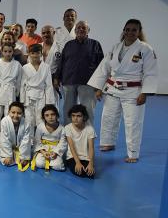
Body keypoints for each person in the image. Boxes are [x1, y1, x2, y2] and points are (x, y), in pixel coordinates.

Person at [88, 19, 158, 163]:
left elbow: (150, 73)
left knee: (132, 122)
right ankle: (107, 142)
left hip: (133, 91)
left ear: (139, 32)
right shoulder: (116, 47)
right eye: (127, 29)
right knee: (108, 117)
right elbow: (104, 68)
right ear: (123, 30)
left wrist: (144, 93)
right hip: (113, 88)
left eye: (134, 30)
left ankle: (133, 153)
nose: (130, 32)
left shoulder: (145, 49)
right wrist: (98, 88)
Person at [55, 20, 104, 124]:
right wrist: (57, 78)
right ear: (75, 30)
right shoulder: (68, 45)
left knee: (87, 110)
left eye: (83, 28)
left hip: (88, 83)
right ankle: (68, 135)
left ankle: (87, 136)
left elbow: (102, 66)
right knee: (68, 110)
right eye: (78, 28)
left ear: (88, 31)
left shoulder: (95, 44)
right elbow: (62, 62)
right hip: (69, 81)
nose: (81, 29)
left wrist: (100, 85)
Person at [0, 43, 22, 148]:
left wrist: (17, 92)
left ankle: (8, 137)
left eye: (10, 51)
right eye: (5, 51)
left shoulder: (17, 65)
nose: (8, 53)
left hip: (10, 91)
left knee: (9, 117)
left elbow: (19, 80)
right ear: (2, 52)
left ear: (13, 52)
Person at [21, 44, 56, 130]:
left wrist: (49, 102)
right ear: (29, 54)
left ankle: (40, 139)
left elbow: (48, 85)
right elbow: (22, 85)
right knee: (29, 120)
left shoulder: (46, 67)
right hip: (28, 97)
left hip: (41, 96)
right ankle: (29, 140)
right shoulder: (25, 67)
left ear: (41, 54)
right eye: (33, 53)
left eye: (37, 53)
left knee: (40, 119)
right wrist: (22, 100)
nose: (35, 55)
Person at [64, 104, 96, 179]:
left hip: (86, 157)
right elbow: (71, 147)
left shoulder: (90, 129)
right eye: (73, 116)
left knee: (90, 174)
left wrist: (91, 163)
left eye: (79, 116)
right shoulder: (68, 128)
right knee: (80, 172)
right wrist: (78, 163)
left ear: (84, 117)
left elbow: (91, 148)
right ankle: (70, 164)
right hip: (72, 157)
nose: (75, 118)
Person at [32, 104, 66, 171]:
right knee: (39, 164)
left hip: (56, 149)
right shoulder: (40, 127)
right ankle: (48, 162)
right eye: (47, 115)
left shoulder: (62, 128)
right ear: (43, 117)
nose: (50, 117)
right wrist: (43, 152)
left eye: (52, 114)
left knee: (58, 166)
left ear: (57, 115)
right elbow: (37, 141)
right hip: (43, 149)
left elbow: (63, 143)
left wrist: (55, 152)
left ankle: (52, 162)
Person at [0, 101, 31, 171]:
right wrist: (7, 155)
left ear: (23, 114)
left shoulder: (26, 123)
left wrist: (23, 157)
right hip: (8, 148)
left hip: (20, 148)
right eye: (13, 112)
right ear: (8, 112)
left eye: (19, 113)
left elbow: (26, 141)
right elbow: (5, 140)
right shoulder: (5, 121)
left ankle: (22, 156)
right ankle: (7, 155)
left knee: (22, 161)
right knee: (8, 161)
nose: (15, 115)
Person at [41, 25, 63, 106]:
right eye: (43, 33)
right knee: (39, 105)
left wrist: (57, 78)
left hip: (53, 80)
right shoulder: (38, 47)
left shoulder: (59, 48)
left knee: (52, 104)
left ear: (53, 33)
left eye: (48, 32)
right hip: (39, 81)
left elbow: (62, 66)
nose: (45, 35)